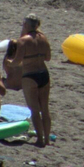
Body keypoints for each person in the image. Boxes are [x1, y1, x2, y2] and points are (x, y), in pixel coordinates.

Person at [14, 15, 53, 147]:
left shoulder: (22, 41)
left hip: (30, 75)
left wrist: (8, 63)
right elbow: (48, 58)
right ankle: (47, 139)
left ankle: (40, 140)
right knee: (45, 110)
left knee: (35, 110)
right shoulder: (44, 38)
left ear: (25, 24)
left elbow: (17, 61)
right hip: (44, 73)